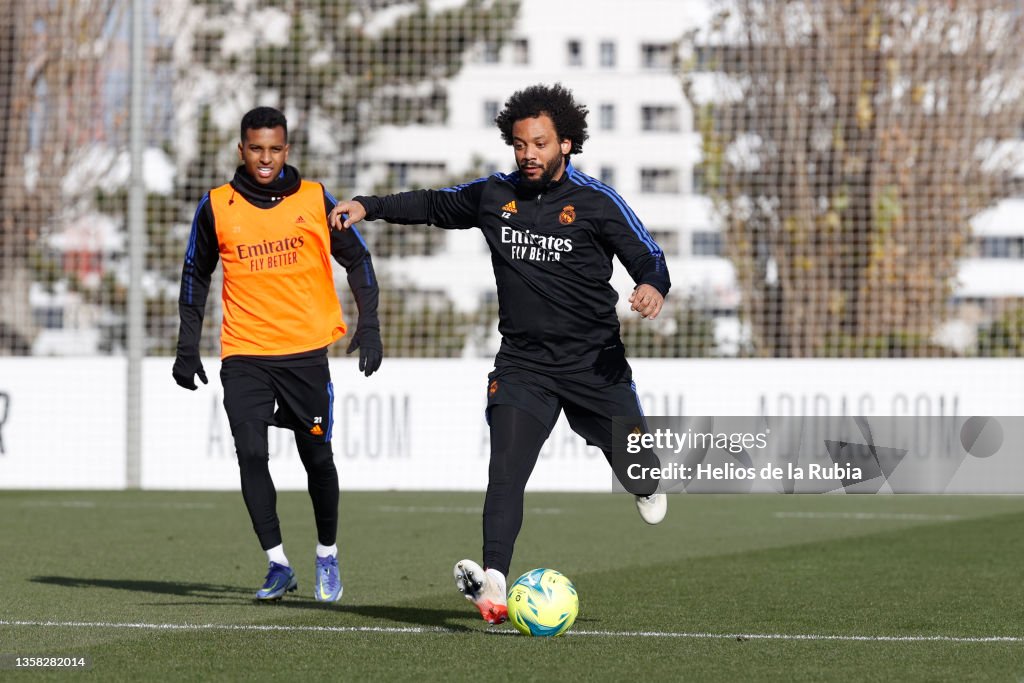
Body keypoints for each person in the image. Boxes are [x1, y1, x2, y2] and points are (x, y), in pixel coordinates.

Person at [329, 83, 670, 624]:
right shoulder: (494, 195)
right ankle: (493, 583)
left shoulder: (597, 202)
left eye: (539, 143)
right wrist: (369, 206)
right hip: (523, 366)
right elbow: (433, 204)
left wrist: (651, 286)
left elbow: (649, 256)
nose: (528, 153)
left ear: (566, 143)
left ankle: (644, 484)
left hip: (594, 365)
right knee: (506, 471)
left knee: (640, 470)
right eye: (519, 144)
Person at [173, 106, 382, 604]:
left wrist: (370, 325)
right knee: (250, 452)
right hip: (244, 352)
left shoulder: (314, 198)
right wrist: (186, 346)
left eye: (274, 149)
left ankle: (327, 553)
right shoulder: (216, 206)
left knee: (318, 459)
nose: (264, 158)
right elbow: (195, 273)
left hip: (305, 354)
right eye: (255, 149)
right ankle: (278, 563)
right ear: (241, 149)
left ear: (286, 150)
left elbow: (357, 258)